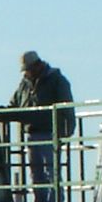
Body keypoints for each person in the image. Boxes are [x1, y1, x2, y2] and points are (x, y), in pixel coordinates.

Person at [7, 52, 75, 186]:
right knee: (36, 174)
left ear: (37, 66)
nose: (27, 73)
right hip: (32, 134)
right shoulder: (24, 84)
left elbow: (67, 109)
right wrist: (2, 111)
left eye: (29, 70)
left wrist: (66, 132)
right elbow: (14, 104)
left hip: (50, 133)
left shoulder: (57, 81)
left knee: (51, 173)